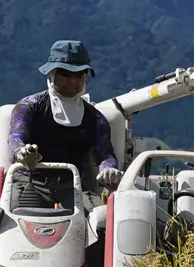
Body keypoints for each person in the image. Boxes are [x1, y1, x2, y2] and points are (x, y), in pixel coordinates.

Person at [8, 40, 123, 189]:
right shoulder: (29, 107)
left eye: (79, 74)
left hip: (73, 186)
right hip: (28, 181)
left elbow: (105, 154)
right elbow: (15, 139)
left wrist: (108, 168)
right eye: (65, 74)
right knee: (15, 212)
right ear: (51, 74)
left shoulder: (95, 119)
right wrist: (22, 153)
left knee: (98, 213)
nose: (73, 81)